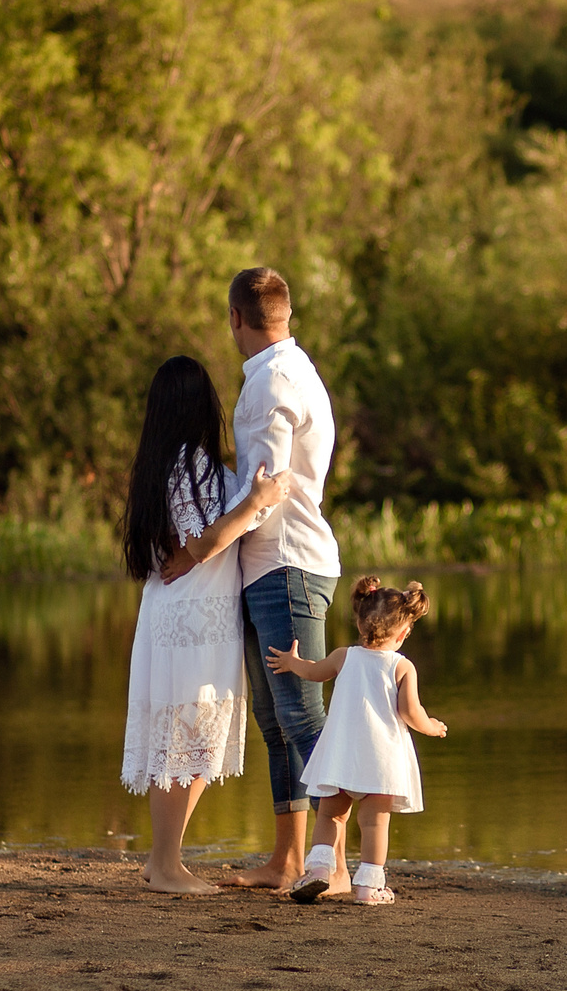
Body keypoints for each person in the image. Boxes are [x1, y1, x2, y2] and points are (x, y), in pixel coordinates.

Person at [164, 267, 342, 891]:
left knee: (301, 715)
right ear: (284, 313)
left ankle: (335, 863)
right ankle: (288, 860)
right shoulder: (292, 370)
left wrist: (200, 549)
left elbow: (262, 494)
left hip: (285, 563)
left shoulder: (270, 382)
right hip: (271, 564)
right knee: (277, 718)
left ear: (236, 317)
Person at [119, 355, 290, 895]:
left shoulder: (170, 463)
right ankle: (167, 866)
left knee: (193, 739)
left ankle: (161, 860)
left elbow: (195, 541)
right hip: (192, 615)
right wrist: (257, 499)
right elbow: (202, 543)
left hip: (186, 610)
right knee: (186, 738)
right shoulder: (189, 463)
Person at [267, 577, 447, 906]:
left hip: (341, 757)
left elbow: (313, 672)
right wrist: (431, 727)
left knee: (330, 816)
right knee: (375, 823)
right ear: (403, 632)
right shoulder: (402, 666)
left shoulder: (343, 656)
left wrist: (292, 662)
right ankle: (368, 887)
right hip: (381, 761)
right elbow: (410, 712)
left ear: (360, 621)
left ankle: (319, 870)